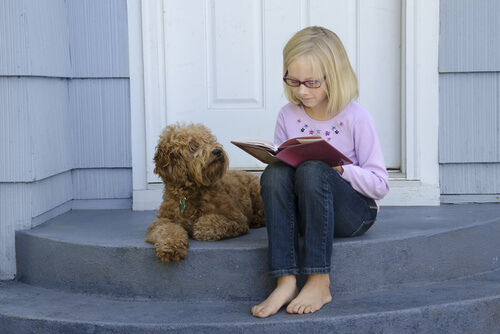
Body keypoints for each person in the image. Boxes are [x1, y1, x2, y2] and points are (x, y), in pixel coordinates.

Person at [251, 26, 390, 318]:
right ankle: (286, 280)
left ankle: (318, 280)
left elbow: (379, 186)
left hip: (354, 214)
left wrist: (340, 169)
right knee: (275, 173)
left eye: (312, 82)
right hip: (306, 214)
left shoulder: (357, 118)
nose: (301, 90)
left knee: (315, 168)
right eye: (293, 80)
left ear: (334, 76)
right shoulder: (287, 115)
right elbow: (285, 170)